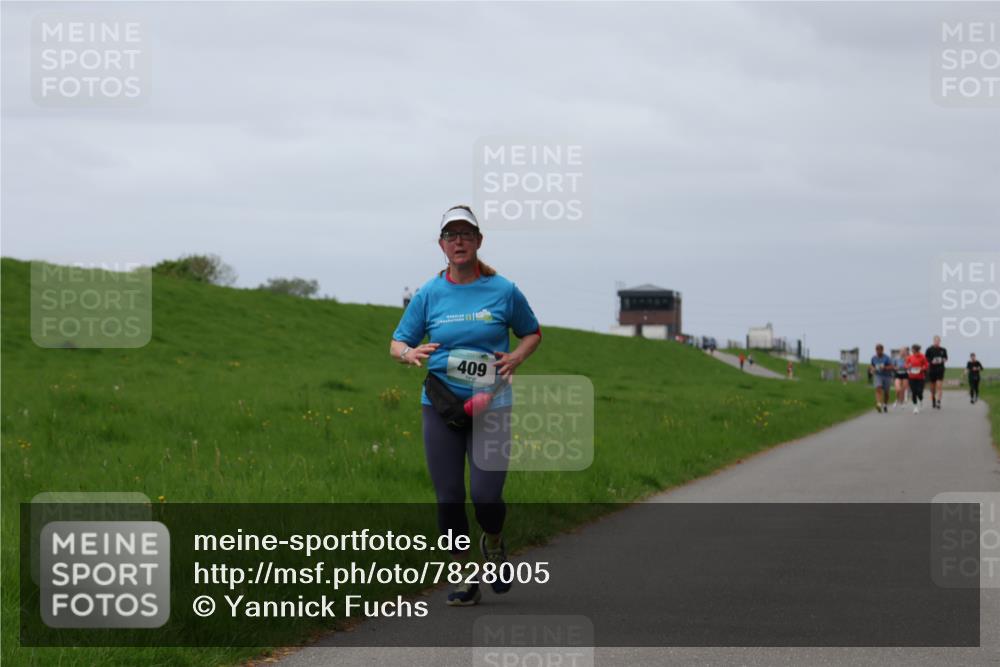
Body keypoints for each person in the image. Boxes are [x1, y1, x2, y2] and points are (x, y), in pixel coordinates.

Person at [389, 205, 541, 606]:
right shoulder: (428, 293)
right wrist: (408, 354)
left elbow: (532, 332)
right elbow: (396, 342)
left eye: (466, 234)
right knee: (449, 496)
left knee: (487, 495)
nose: (459, 241)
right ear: (442, 244)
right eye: (451, 235)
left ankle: (493, 541)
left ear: (478, 241)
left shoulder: (504, 290)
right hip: (440, 403)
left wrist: (518, 357)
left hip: (492, 401)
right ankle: (463, 574)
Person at [905, 344, 930, 414]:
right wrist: (908, 366)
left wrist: (922, 368)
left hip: (920, 377)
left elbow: (926, 365)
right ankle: (915, 407)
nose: (911, 350)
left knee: (919, 392)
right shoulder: (910, 357)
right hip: (911, 377)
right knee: (914, 392)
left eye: (912, 349)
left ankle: (921, 399)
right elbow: (906, 365)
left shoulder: (922, 356)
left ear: (916, 350)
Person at [925, 336, 948, 409]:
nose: (937, 342)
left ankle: (938, 401)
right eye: (936, 341)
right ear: (933, 341)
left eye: (938, 341)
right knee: (932, 388)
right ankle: (933, 399)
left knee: (939, 386)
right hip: (932, 369)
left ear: (940, 341)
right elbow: (926, 359)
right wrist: (931, 361)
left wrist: (942, 360)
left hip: (940, 369)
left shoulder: (943, 349)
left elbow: (946, 358)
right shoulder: (929, 349)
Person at [869, 344, 893, 413]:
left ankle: (885, 404)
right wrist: (872, 368)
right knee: (878, 388)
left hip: (887, 376)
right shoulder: (873, 358)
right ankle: (879, 404)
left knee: (886, 393)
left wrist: (884, 367)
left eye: (879, 350)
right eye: (877, 350)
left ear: (882, 350)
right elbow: (871, 365)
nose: (878, 352)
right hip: (878, 375)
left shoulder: (887, 358)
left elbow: (891, 367)